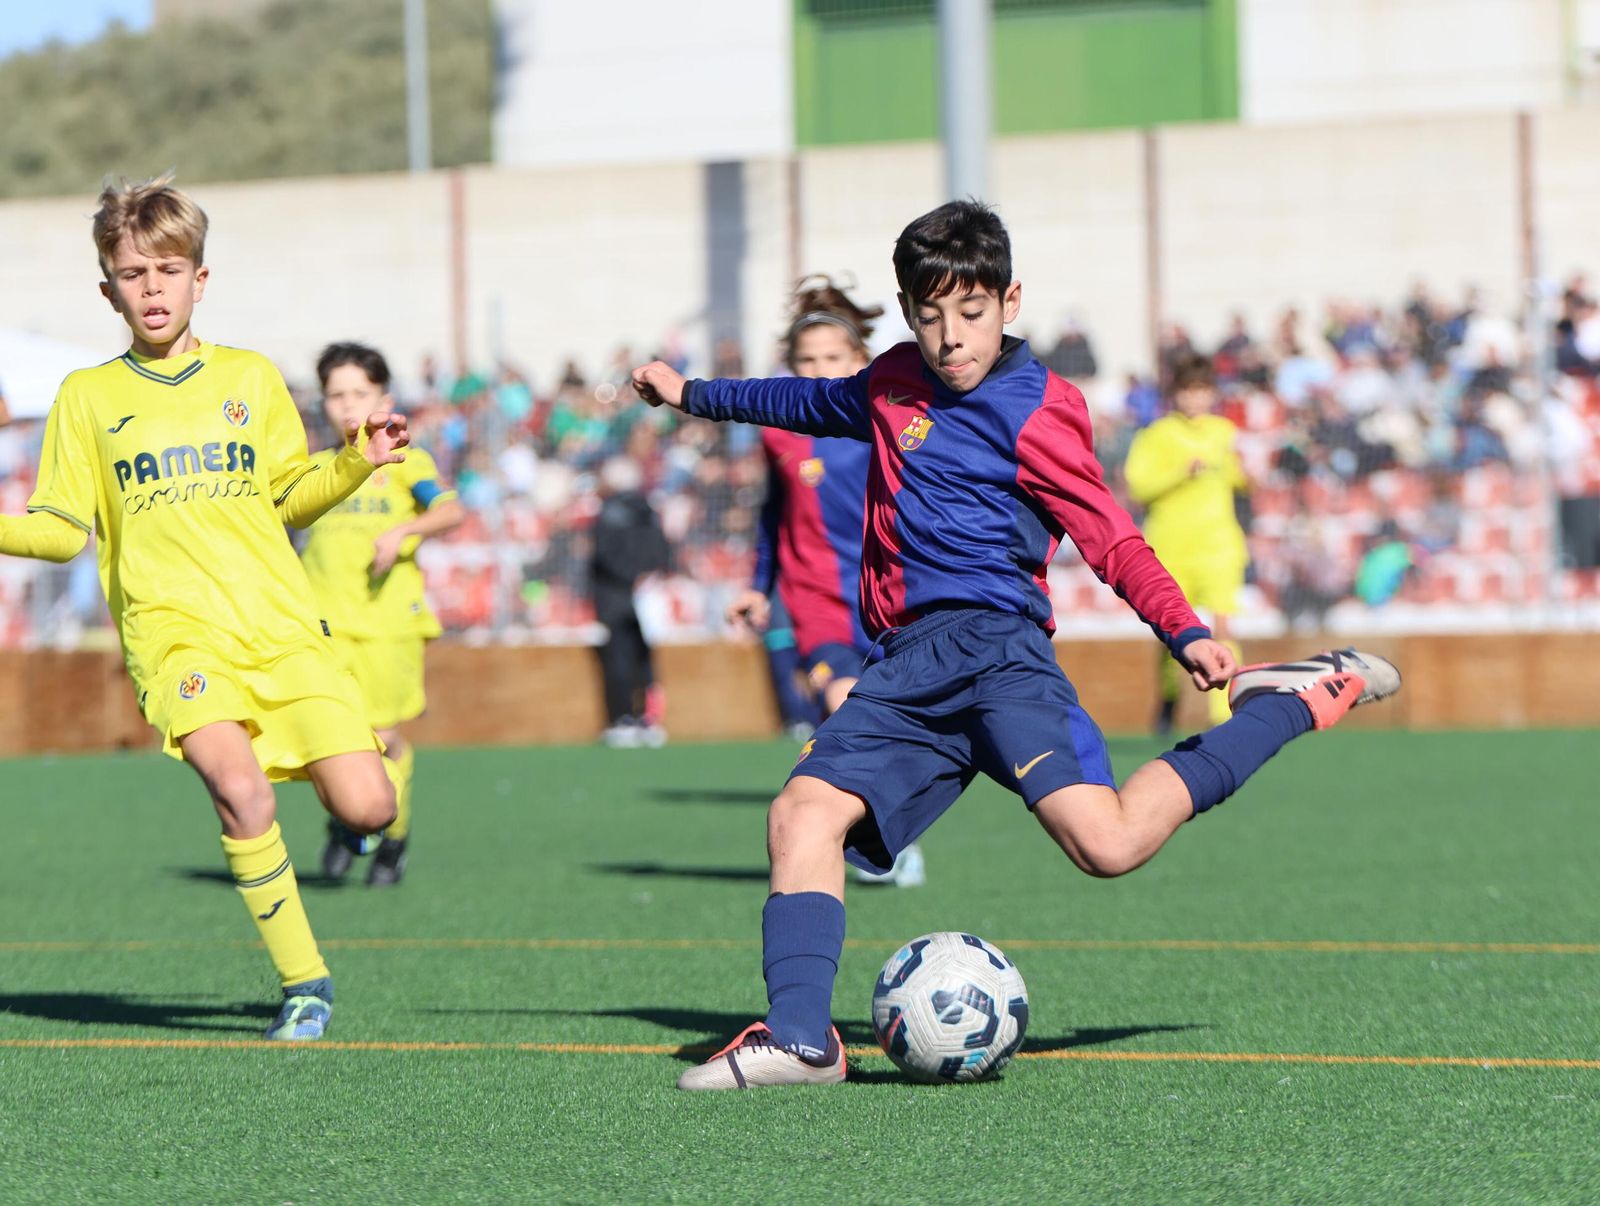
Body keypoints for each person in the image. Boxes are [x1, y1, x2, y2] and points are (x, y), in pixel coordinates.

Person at [632, 199, 1400, 1091]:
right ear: (908, 311)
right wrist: (690, 394)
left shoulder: (1041, 409)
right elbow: (803, 401)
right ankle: (804, 1037)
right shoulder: (891, 383)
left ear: (1010, 302)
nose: (950, 337)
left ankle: (1285, 705)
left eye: (970, 314)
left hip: (998, 656)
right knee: (801, 817)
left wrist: (1183, 628)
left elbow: (1109, 533)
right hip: (905, 664)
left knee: (1107, 846)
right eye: (929, 316)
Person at [0, 175, 410, 1041]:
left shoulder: (251, 379)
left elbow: (286, 498)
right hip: (178, 641)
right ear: (106, 287)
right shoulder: (87, 398)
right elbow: (59, 531)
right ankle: (306, 983)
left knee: (370, 807)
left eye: (168, 269)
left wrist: (355, 461)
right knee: (240, 794)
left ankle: (347, 801)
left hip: (281, 632)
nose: (152, 288)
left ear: (201, 278)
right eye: (133, 272)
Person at [726, 275, 924, 888]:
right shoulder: (777, 430)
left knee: (890, 718)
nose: (818, 370)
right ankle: (864, 836)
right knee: (842, 700)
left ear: (860, 362)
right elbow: (771, 512)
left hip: (889, 592)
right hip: (813, 598)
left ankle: (884, 829)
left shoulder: (885, 418)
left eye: (832, 359)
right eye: (805, 360)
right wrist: (760, 585)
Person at [302, 342, 465, 886]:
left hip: (388, 623)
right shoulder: (318, 468)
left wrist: (404, 530)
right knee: (326, 738)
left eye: (360, 393)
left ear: (384, 398)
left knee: (383, 736)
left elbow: (450, 509)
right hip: (322, 625)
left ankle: (392, 836)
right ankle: (350, 821)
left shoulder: (404, 461)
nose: (348, 405)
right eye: (336, 394)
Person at [1124, 353, 1249, 733]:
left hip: (1218, 543)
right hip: (1171, 546)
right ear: (1175, 394)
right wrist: (1182, 471)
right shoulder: (1155, 435)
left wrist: (1246, 468)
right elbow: (1137, 487)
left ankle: (1226, 716)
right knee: (1172, 632)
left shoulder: (1224, 432)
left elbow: (1242, 480)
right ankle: (1169, 699)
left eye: (1202, 391)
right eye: (1188, 392)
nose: (1195, 400)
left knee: (1224, 626)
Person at [591, 456, 669, 746]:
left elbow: (605, 556)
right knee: (645, 659)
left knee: (619, 659)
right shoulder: (648, 510)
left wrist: (629, 578)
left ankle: (624, 718)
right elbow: (663, 549)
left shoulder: (609, 513)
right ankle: (648, 719)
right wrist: (646, 576)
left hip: (617, 598)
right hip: (648, 595)